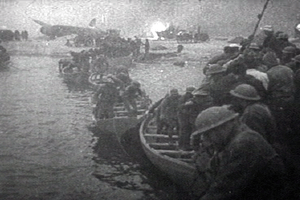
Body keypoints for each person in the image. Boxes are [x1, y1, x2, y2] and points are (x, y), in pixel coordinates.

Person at [190, 106, 285, 200]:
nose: (207, 139)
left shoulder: (244, 142)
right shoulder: (236, 137)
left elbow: (223, 189)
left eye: (208, 134)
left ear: (223, 127)